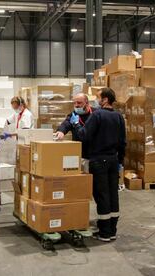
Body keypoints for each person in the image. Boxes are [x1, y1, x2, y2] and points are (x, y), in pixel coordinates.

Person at [70, 88, 126, 242]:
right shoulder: (119, 117)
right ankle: (112, 230)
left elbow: (83, 136)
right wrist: (120, 161)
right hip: (113, 161)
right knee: (113, 195)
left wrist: (75, 125)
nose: (96, 100)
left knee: (101, 196)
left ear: (105, 100)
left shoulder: (97, 115)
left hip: (98, 161)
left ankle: (104, 233)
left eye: (98, 97)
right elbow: (123, 142)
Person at [55, 93, 94, 163]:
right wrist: (61, 131)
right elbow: (66, 124)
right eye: (74, 103)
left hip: (94, 154)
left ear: (87, 103)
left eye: (79, 103)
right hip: (79, 153)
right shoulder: (74, 115)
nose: (76, 105)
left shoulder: (96, 114)